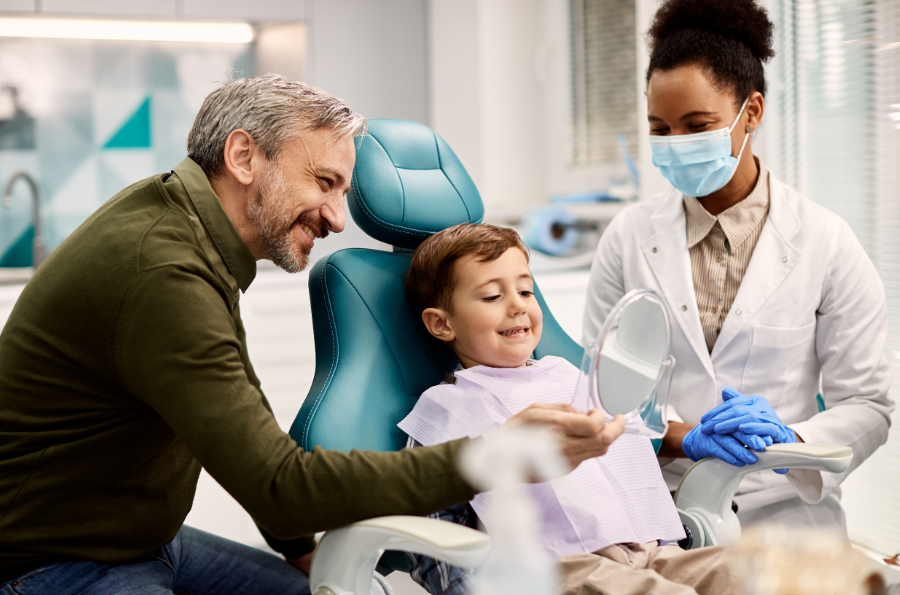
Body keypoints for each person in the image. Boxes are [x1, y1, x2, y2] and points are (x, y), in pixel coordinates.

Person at [0, 74, 623, 595]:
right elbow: (280, 487)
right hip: (52, 561)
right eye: (324, 183)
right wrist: (497, 455)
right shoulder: (163, 271)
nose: (336, 216)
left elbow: (237, 415)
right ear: (244, 158)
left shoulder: (187, 231)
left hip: (147, 540)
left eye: (343, 191)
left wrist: (303, 552)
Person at [582, 0, 893, 531]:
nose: (676, 146)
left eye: (696, 125)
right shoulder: (628, 238)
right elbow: (596, 395)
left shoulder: (827, 241)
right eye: (660, 128)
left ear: (752, 111)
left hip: (783, 513)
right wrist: (683, 437)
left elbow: (867, 402)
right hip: (657, 511)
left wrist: (789, 438)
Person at [399, 223, 739, 595]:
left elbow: (631, 437)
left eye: (526, 291)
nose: (518, 306)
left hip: (652, 550)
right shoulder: (447, 408)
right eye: (493, 296)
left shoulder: (568, 375)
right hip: (557, 569)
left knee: (754, 575)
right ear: (441, 324)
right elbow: (432, 533)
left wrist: (697, 435)